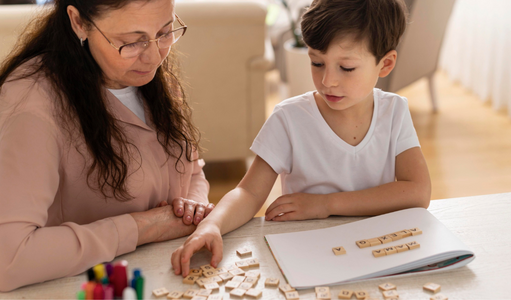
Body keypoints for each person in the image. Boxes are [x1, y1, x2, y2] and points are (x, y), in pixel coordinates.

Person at [171, 0, 431, 276]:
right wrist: (212, 226)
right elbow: (248, 192)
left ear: (386, 64)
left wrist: (326, 204)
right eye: (317, 62)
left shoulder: (394, 112)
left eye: (347, 68)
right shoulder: (290, 118)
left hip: (376, 253)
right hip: (309, 254)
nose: (327, 80)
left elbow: (418, 191)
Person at [0, 0, 214, 292]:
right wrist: (145, 227)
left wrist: (192, 206)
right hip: (83, 289)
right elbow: (5, 259)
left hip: (167, 279)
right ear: (78, 22)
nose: (155, 56)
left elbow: (190, 169)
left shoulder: (147, 74)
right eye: (131, 41)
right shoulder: (33, 100)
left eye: (165, 32)